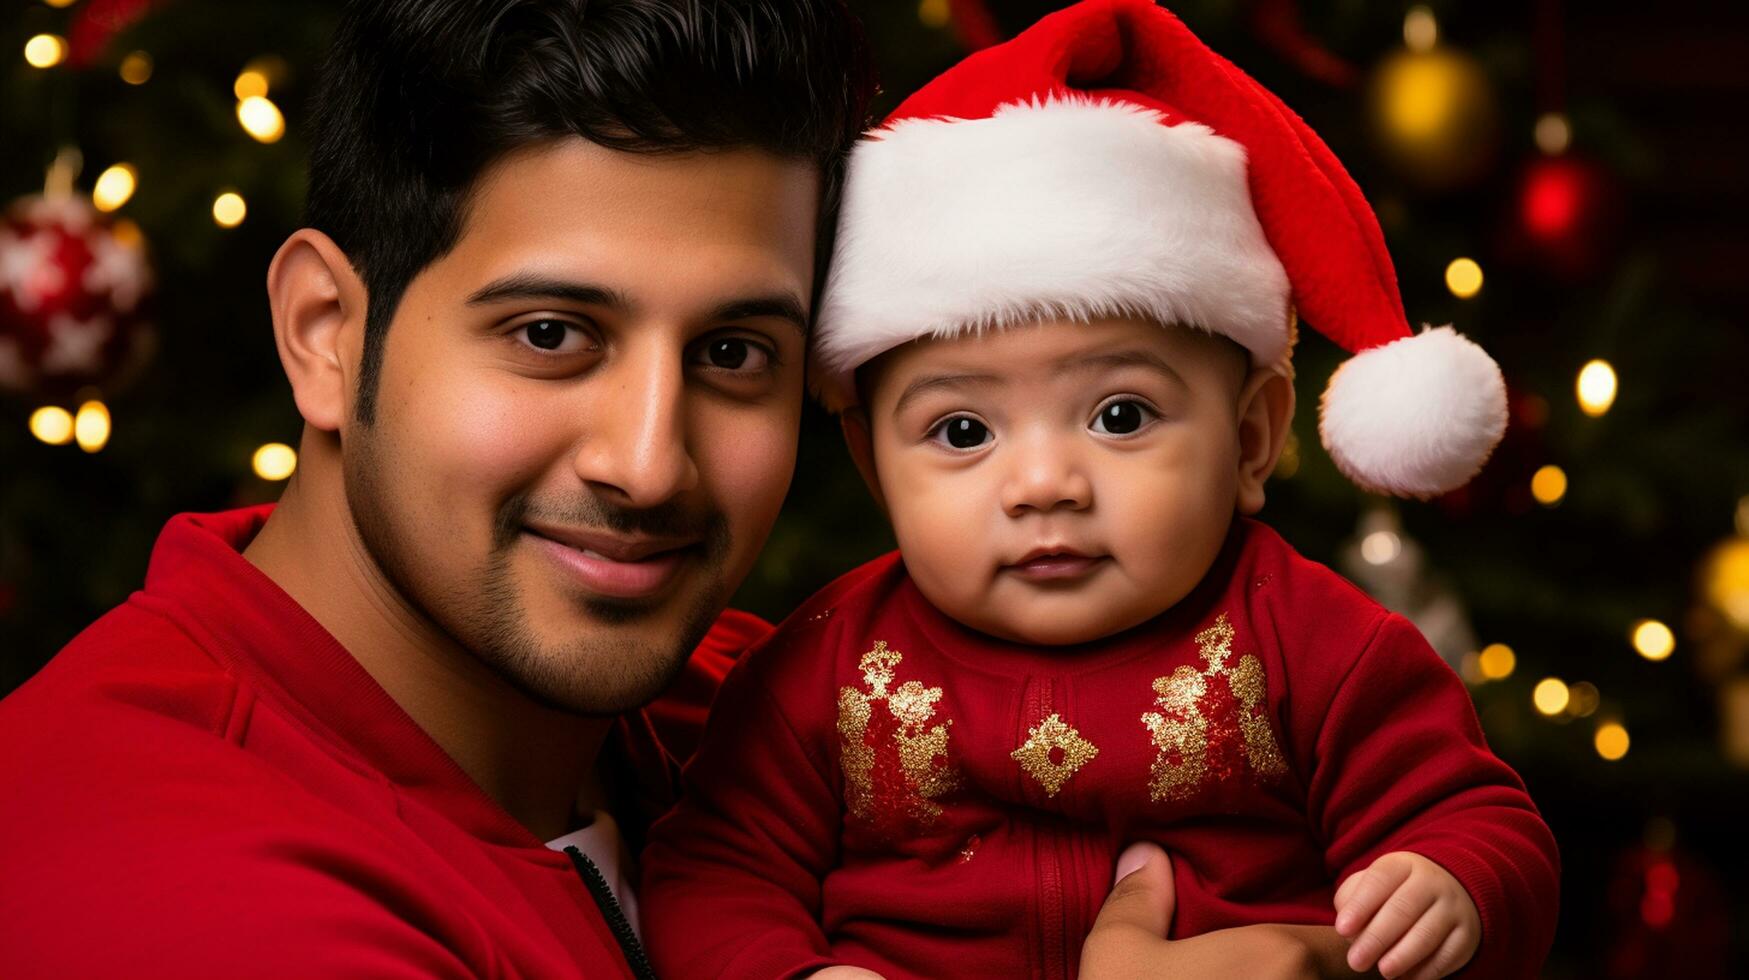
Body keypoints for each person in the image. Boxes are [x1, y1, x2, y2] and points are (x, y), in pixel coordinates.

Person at [638, 3, 1560, 979]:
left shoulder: (1319, 645)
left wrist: (1449, 882)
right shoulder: (820, 672)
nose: (1043, 484)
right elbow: (713, 870)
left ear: (1252, 439)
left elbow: (1480, 816)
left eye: (1120, 415)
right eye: (962, 432)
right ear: (874, 467)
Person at [0, 1, 871, 975]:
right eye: (551, 333)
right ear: (325, 329)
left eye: (732, 352)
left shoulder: (790, 721)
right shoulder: (182, 898)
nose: (649, 462)